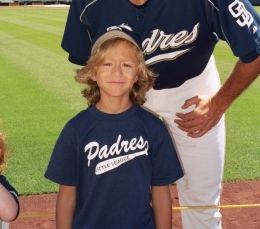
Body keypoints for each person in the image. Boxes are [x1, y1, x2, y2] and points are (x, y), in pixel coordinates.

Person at [61, 0, 260, 228]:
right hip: (131, 99)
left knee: (201, 202)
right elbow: (88, 64)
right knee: (127, 197)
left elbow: (259, 44)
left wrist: (220, 102)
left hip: (192, 90)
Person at [45, 27, 184, 229]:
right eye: (107, 64)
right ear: (93, 73)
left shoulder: (153, 127)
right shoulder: (76, 129)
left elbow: (161, 193)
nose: (117, 72)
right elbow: (67, 196)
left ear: (137, 75)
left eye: (126, 65)